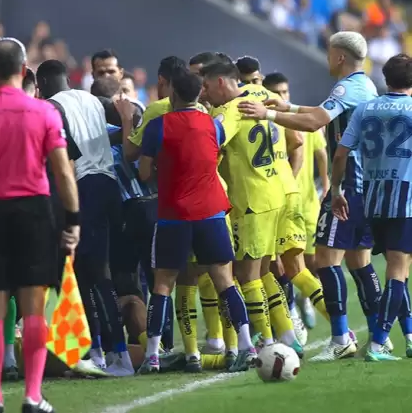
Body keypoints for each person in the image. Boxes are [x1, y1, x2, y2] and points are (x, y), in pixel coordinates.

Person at [238, 31, 383, 361]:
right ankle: (379, 335)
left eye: (330, 53)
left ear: (340, 57)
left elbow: (316, 122)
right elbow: (323, 111)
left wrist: (269, 115)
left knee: (326, 262)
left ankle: (340, 338)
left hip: (347, 187)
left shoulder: (346, 87)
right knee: (360, 263)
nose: (328, 58)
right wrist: (287, 105)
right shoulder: (366, 85)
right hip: (366, 186)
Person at [0, 37, 79, 413]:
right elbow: (62, 172)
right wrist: (72, 220)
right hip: (34, 212)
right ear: (24, 71)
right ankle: (32, 396)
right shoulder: (43, 112)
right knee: (33, 308)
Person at [136, 69, 258, 373]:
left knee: (164, 284)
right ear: (199, 94)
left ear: (173, 94)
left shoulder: (157, 126)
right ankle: (246, 345)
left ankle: (152, 355)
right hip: (211, 212)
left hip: (173, 215)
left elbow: (143, 172)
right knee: (224, 281)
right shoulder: (213, 126)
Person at [37, 59, 134, 377]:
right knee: (88, 273)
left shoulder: (51, 107)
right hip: (109, 184)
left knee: (91, 275)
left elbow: (68, 153)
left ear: (42, 86)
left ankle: (117, 355)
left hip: (85, 188)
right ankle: (97, 351)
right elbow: (126, 122)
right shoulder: (91, 99)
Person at [330, 54, 412, 361]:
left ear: (385, 78)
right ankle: (378, 344)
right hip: (405, 201)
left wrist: (337, 190)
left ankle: (409, 335)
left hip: (373, 199)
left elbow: (340, 155)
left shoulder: (365, 109)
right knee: (398, 271)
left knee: (398, 268)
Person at [202, 60, 286, 355]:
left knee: (247, 275)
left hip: (250, 200)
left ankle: (267, 340)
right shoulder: (257, 92)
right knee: (264, 271)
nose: (205, 93)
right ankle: (287, 334)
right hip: (275, 192)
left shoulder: (230, 110)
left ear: (222, 83)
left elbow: (211, 138)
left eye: (207, 86)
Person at [90, 77, 157, 353]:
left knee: (128, 288)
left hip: (120, 216)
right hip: (151, 206)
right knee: (154, 287)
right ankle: (155, 345)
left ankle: (128, 346)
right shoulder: (138, 121)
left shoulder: (90, 131)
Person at [263, 72, 328, 332]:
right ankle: (293, 314)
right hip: (277, 204)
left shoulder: (300, 121)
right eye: (277, 92)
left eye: (285, 92)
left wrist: (327, 184)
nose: (282, 97)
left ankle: (300, 309)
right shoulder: (267, 121)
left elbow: (319, 152)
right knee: (283, 266)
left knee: (306, 265)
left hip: (303, 203)